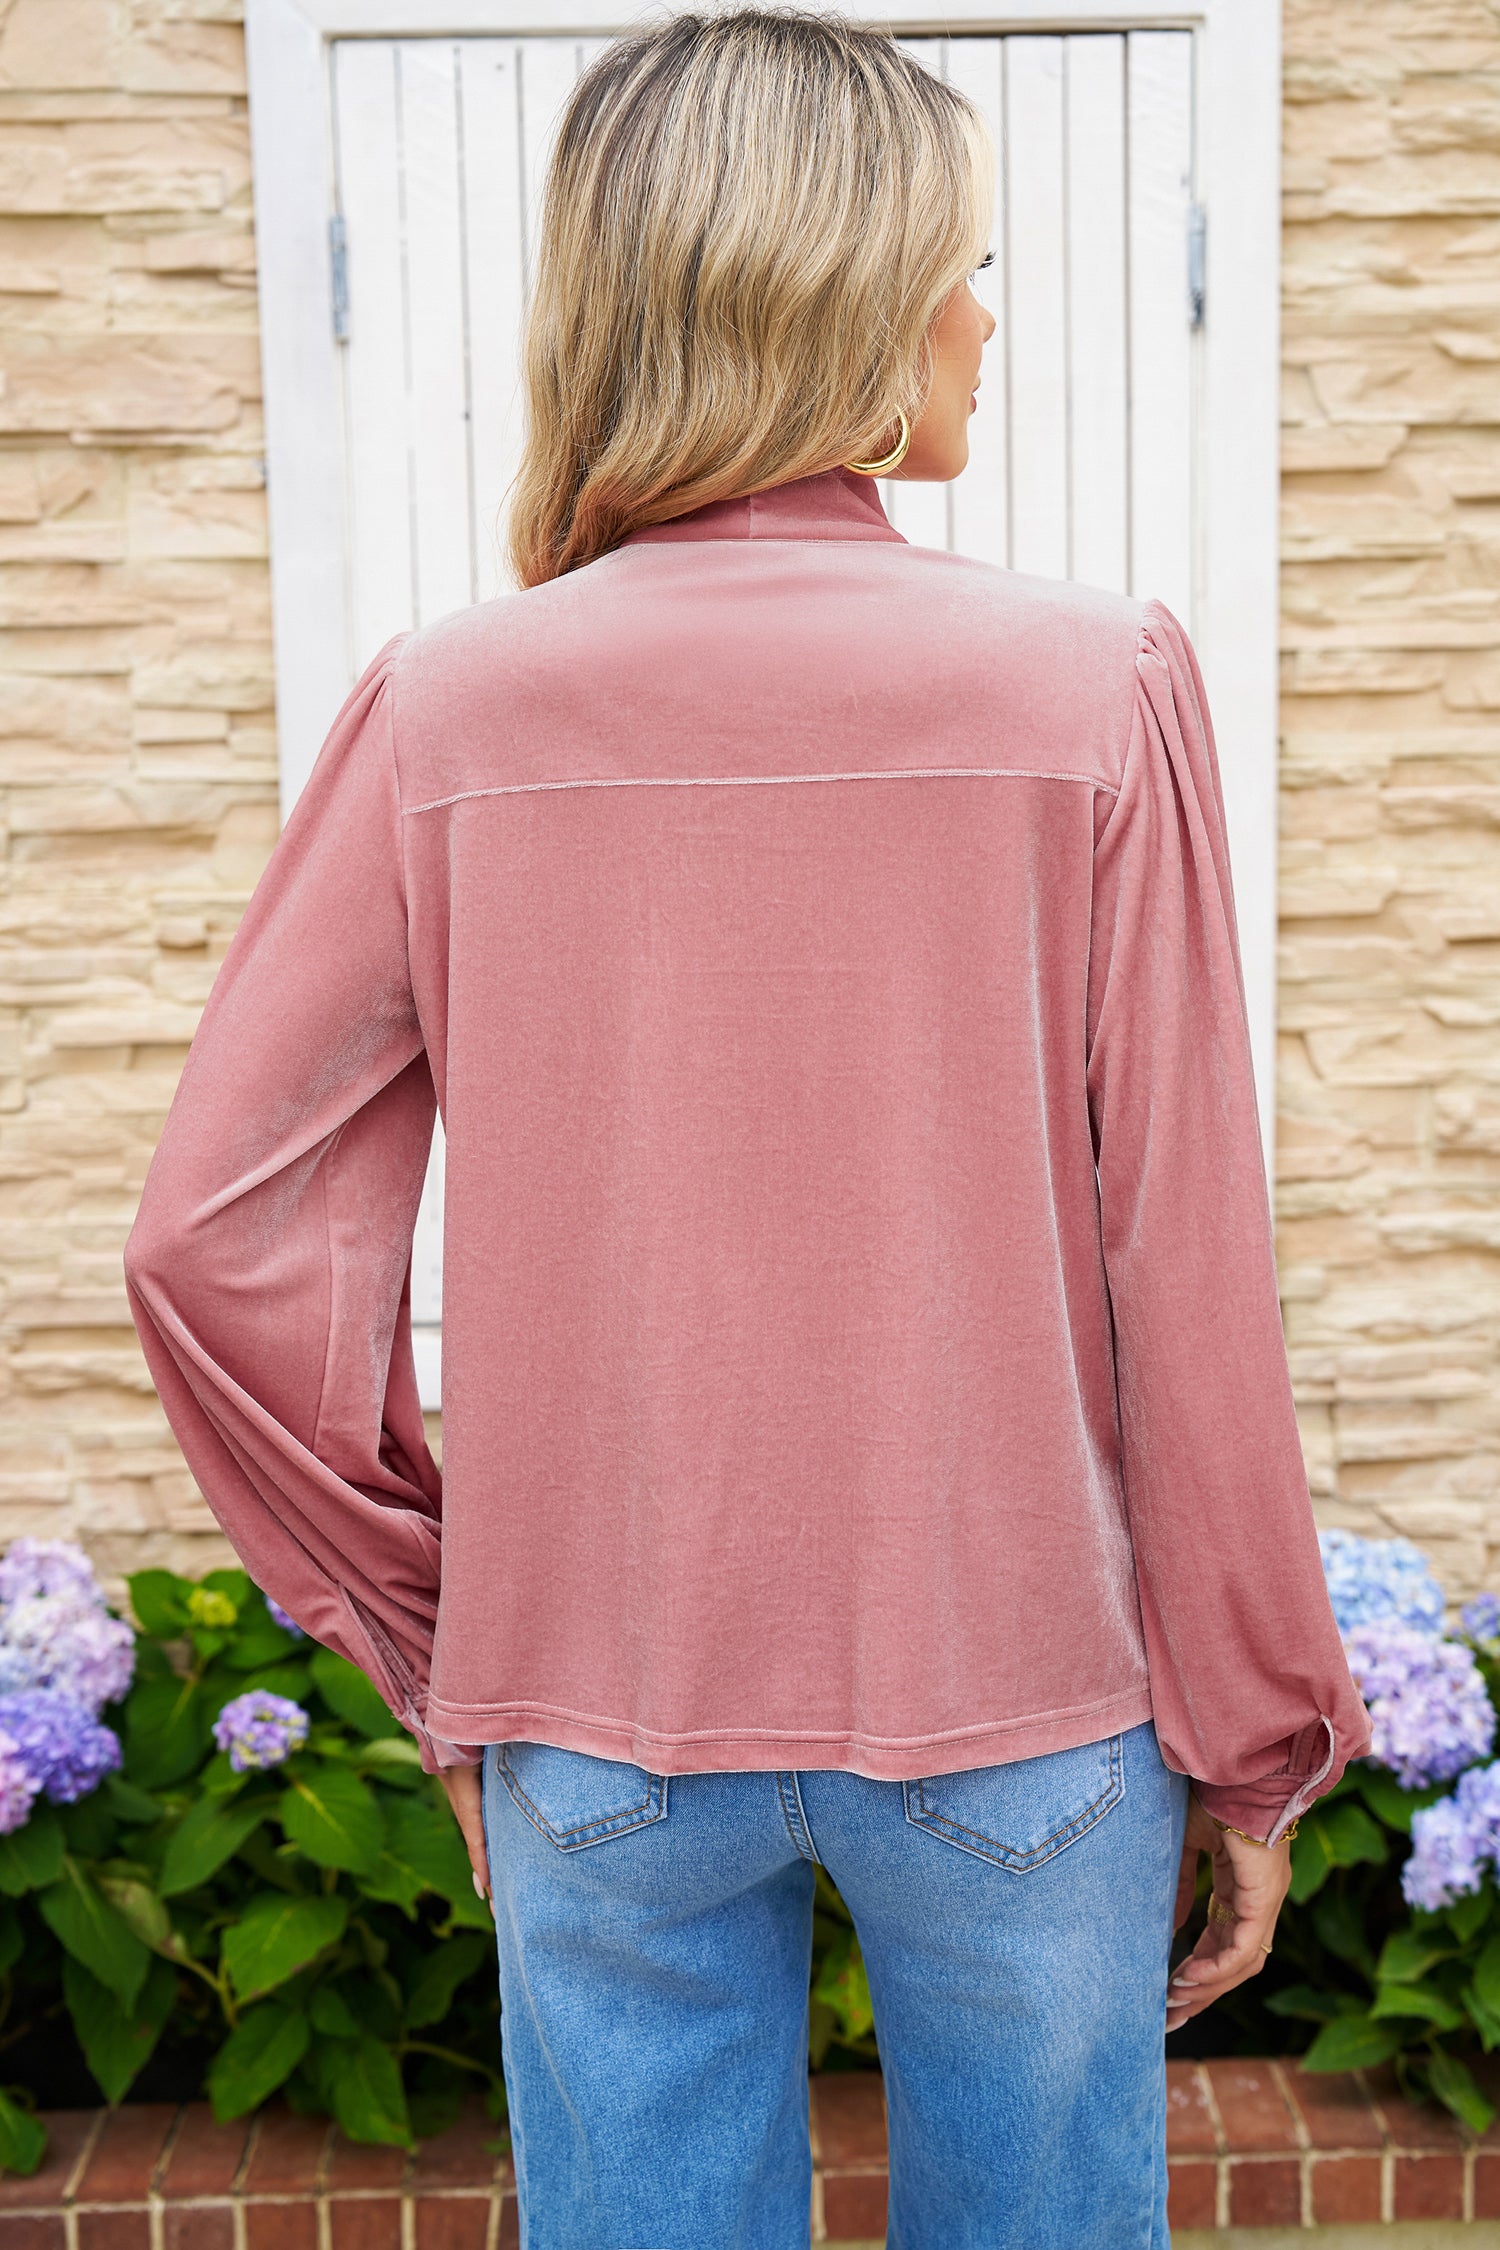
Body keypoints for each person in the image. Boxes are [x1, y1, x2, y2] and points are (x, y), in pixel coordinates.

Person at [125, 10, 1371, 2245]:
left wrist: (438, 1625)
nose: (984, 313)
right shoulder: (1097, 684)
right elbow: (1179, 1252)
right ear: (848, 299)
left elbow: (212, 1240)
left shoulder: (445, 705)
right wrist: (1260, 1722)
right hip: (1019, 1699)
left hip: (599, 1709)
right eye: (963, 263)